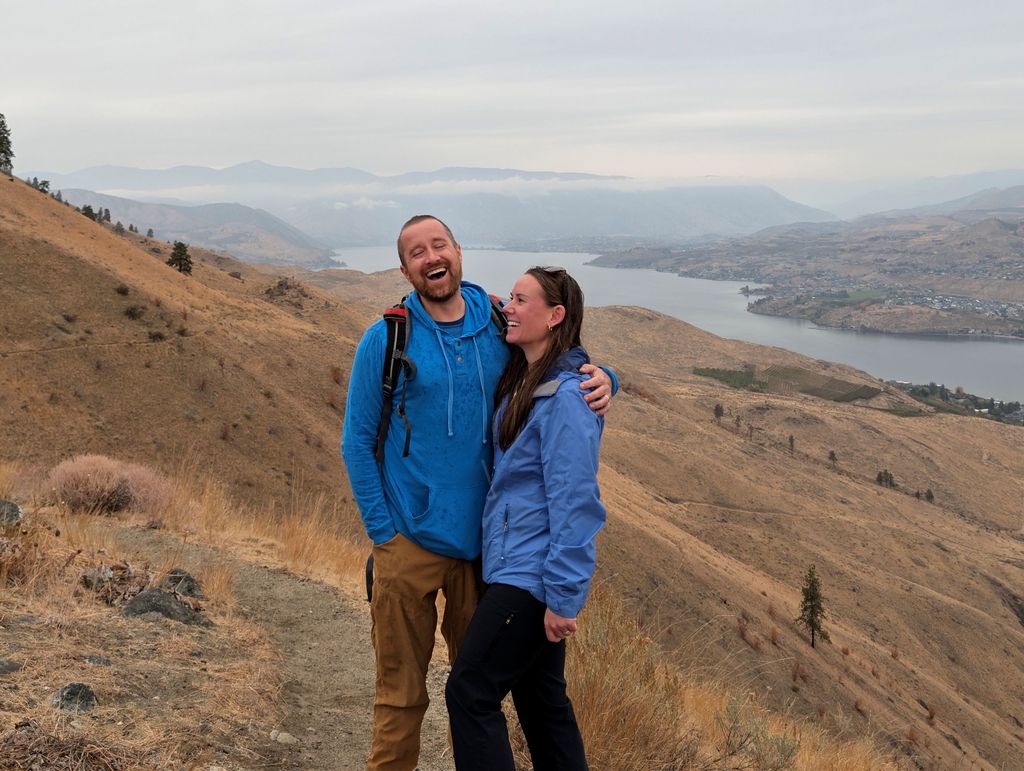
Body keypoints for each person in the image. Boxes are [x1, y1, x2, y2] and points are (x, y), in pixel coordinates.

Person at [341, 216, 614, 771]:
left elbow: (556, 365)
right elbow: (356, 442)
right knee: (400, 695)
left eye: (438, 244)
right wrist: (384, 534)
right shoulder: (386, 338)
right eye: (416, 252)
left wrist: (603, 374)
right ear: (404, 268)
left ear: (458, 252)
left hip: (483, 556)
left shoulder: (495, 323)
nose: (429, 257)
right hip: (408, 546)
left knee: (480, 689)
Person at [445, 267, 604, 771]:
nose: (510, 307)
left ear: (555, 316)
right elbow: (478, 304)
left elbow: (577, 503)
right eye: (509, 297)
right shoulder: (532, 378)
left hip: (531, 579)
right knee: (543, 704)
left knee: (470, 691)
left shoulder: (567, 398)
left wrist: (561, 596)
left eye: (522, 299)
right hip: (518, 568)